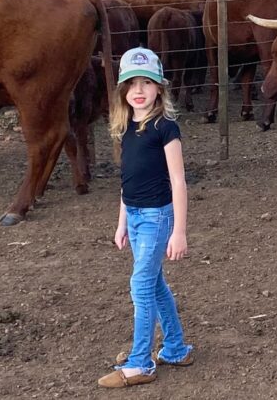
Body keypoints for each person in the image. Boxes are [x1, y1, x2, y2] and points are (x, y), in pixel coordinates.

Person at [98, 47, 194, 388]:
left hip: (158, 217)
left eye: (146, 82)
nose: (138, 90)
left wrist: (179, 231)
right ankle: (176, 347)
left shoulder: (166, 129)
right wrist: (122, 222)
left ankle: (141, 363)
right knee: (153, 284)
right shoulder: (126, 128)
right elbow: (127, 181)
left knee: (140, 285)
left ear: (159, 89)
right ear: (123, 90)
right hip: (137, 217)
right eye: (131, 83)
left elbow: (179, 182)